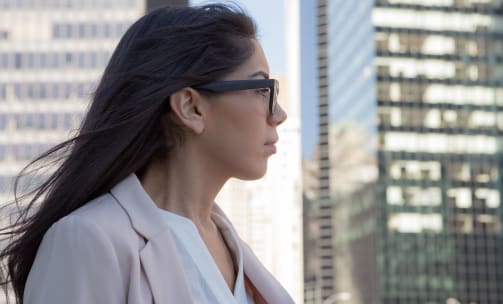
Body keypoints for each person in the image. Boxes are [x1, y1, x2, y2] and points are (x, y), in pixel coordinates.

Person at [0, 4, 293, 304]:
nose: (279, 114)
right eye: (262, 89)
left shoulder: (233, 247)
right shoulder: (87, 240)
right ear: (191, 107)